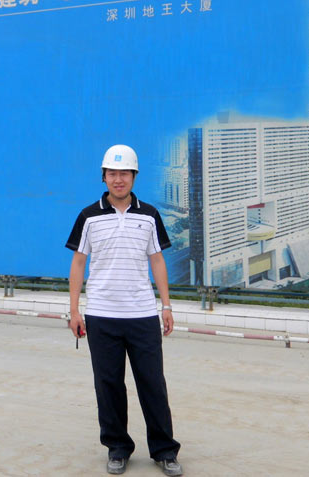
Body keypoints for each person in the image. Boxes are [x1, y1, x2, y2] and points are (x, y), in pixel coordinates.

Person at [66, 144, 183, 476]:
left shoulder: (150, 215)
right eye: (113, 174)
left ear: (134, 177)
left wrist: (166, 305)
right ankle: (117, 447)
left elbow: (157, 260)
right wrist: (74, 311)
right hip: (102, 315)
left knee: (152, 384)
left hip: (142, 315)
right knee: (109, 385)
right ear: (104, 177)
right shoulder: (88, 216)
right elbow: (78, 263)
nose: (119, 179)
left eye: (125, 174)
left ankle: (164, 450)